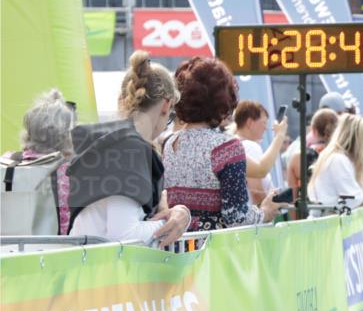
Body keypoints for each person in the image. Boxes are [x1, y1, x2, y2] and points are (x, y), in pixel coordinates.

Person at [68, 52, 191, 246]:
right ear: (166, 105)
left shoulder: (111, 143)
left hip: (86, 258)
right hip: (102, 262)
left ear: (121, 99)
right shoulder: (129, 149)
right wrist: (175, 219)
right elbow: (124, 235)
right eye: (170, 117)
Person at [162, 57, 288, 230]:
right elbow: (236, 217)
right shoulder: (227, 148)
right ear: (222, 100)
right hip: (214, 246)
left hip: (176, 243)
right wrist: (265, 211)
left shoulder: (169, 143)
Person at [2, 89, 75, 235]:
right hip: (55, 247)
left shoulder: (7, 162)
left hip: (7, 246)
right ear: (67, 136)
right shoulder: (70, 173)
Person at [233, 100, 287, 205]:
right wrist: (280, 135)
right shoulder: (250, 146)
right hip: (257, 213)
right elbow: (256, 192)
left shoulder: (234, 144)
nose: (266, 128)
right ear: (249, 123)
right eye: (264, 123)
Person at [286, 108, 339, 205]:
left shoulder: (297, 158)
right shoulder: (344, 155)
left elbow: (293, 200)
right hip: (341, 211)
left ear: (313, 130)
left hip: (311, 211)